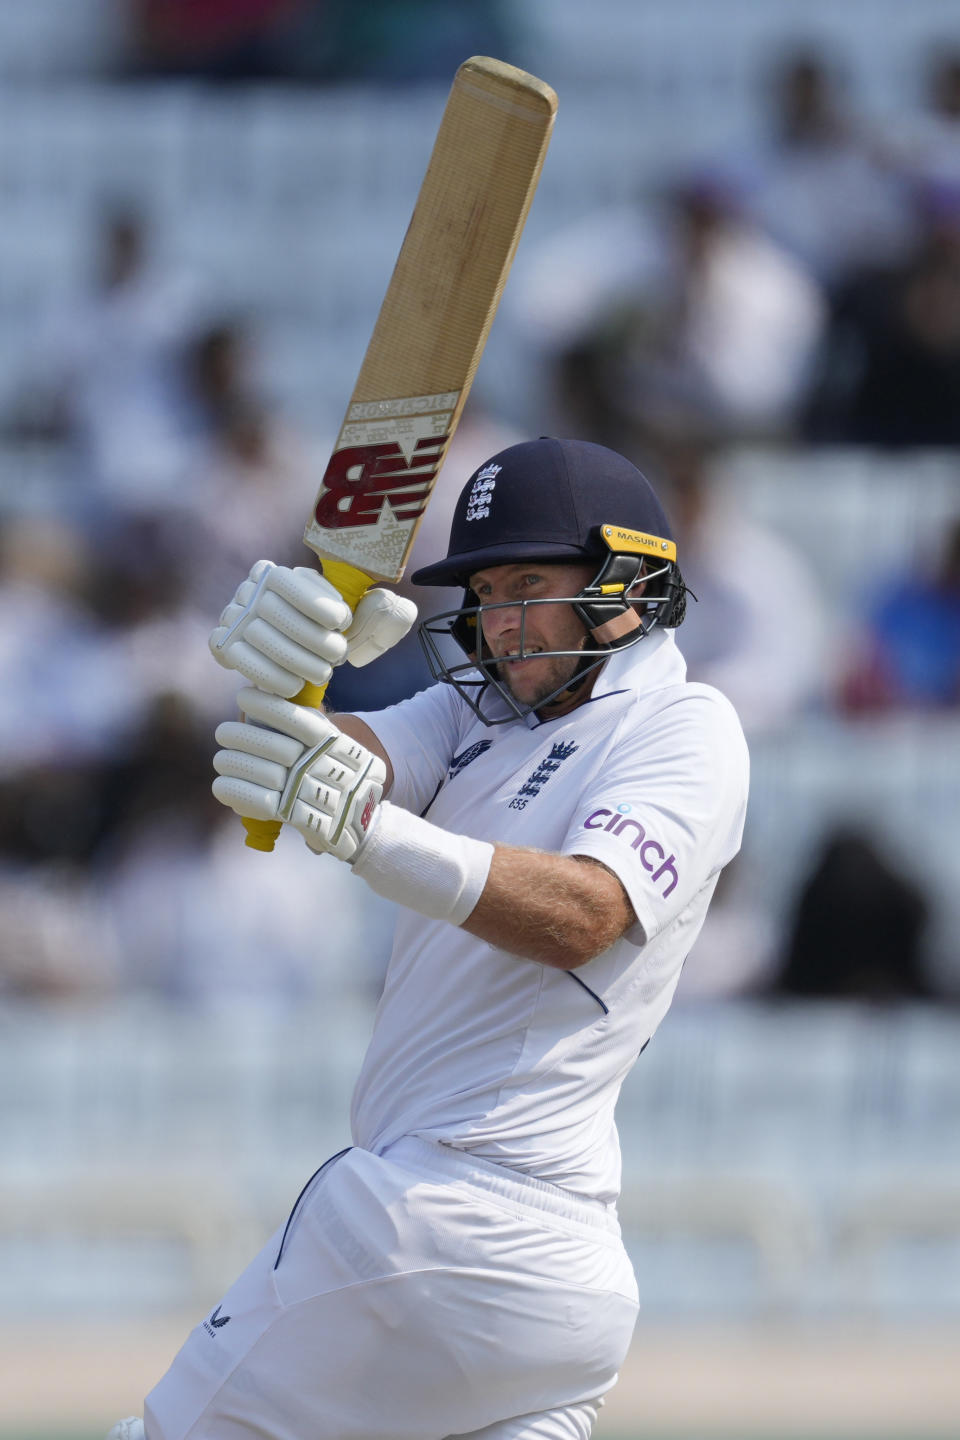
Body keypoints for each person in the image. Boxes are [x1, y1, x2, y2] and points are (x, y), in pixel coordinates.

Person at [110, 438, 749, 1440]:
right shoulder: (482, 714)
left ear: (630, 577)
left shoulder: (682, 724)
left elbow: (587, 914)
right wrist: (293, 674)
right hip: (554, 1293)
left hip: (437, 1213)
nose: (500, 622)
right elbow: (310, 768)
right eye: (486, 592)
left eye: (529, 584)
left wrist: (368, 828)